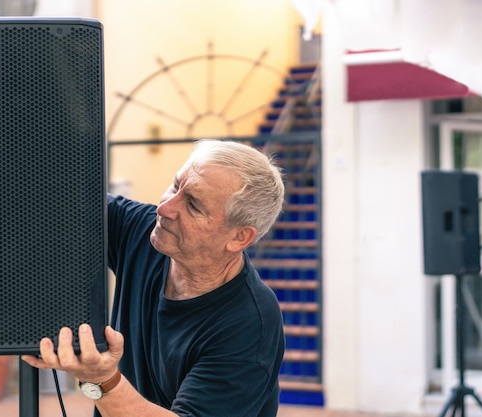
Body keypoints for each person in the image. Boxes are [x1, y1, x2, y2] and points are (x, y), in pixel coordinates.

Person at [22, 139, 286, 417]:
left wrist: (102, 379)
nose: (166, 208)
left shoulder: (250, 323)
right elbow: (56, 193)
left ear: (238, 237)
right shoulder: (144, 230)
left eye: (193, 205)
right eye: (175, 185)